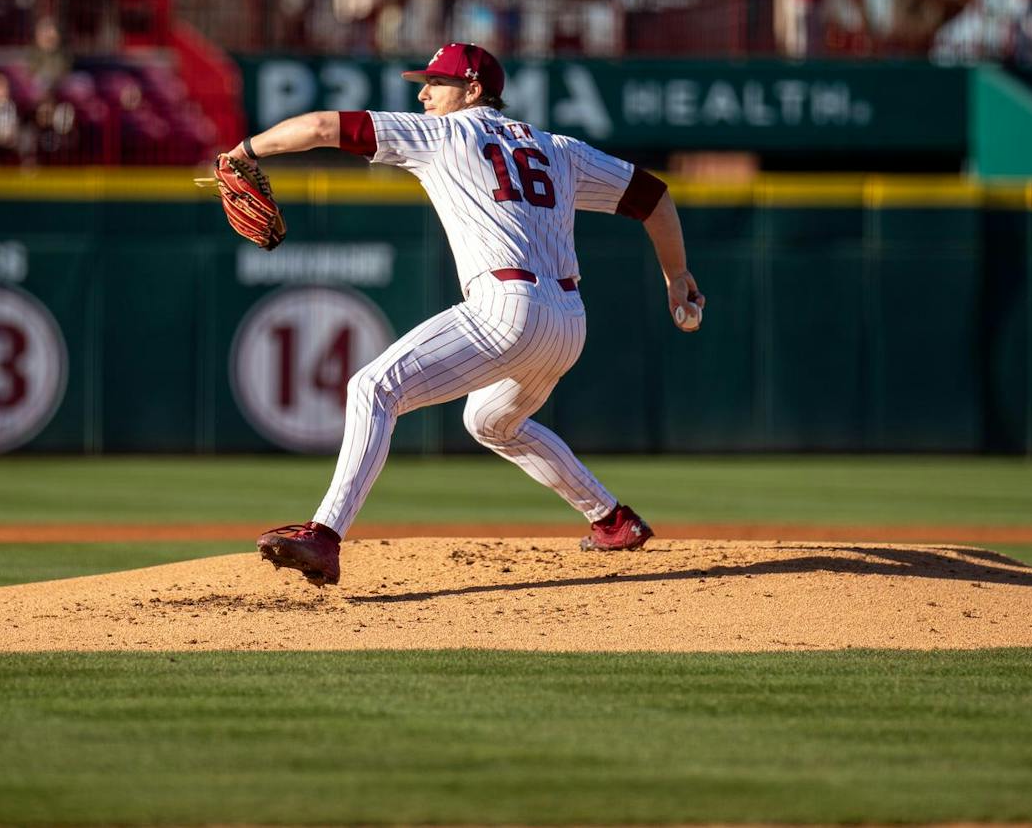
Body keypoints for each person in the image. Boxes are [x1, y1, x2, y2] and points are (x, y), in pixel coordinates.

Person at [236, 42, 705, 587]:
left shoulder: (441, 134)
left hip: (507, 308)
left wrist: (247, 149)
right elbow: (655, 198)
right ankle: (611, 519)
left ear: (474, 91)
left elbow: (320, 126)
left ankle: (324, 536)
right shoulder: (559, 148)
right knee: (490, 421)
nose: (423, 92)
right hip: (569, 321)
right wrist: (676, 276)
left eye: (436, 82)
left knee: (372, 388)